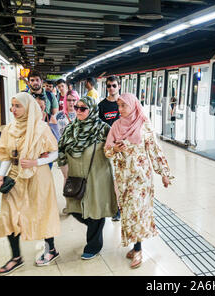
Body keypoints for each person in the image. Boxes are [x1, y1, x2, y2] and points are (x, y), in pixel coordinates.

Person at [0, 92, 61, 275]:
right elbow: (7, 156)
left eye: (17, 106)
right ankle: (16, 257)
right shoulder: (9, 129)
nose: (12, 109)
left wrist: (36, 162)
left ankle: (51, 249)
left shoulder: (41, 128)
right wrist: (0, 177)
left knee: (42, 211)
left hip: (38, 176)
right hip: (15, 176)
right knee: (9, 214)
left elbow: (55, 152)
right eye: (12, 105)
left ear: (28, 107)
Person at [105, 93, 173, 269]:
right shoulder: (116, 126)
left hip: (141, 178)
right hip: (122, 178)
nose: (119, 109)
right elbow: (107, 151)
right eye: (118, 106)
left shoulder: (144, 125)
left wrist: (164, 173)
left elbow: (155, 151)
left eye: (123, 106)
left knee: (137, 210)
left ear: (133, 105)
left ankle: (138, 249)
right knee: (128, 212)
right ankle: (134, 242)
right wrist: (115, 149)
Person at [57, 96, 118, 260]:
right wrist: (63, 166)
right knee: (76, 210)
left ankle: (93, 246)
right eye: (76, 107)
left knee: (96, 211)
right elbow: (61, 147)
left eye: (82, 109)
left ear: (92, 110)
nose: (78, 111)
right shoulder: (71, 128)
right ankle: (95, 229)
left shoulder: (103, 129)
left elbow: (113, 150)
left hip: (98, 178)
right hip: (77, 177)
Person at [98, 76, 121, 221]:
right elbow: (99, 126)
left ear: (119, 86)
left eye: (114, 85)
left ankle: (119, 206)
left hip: (122, 146)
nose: (111, 88)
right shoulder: (102, 106)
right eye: (109, 86)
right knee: (112, 179)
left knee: (119, 179)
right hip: (109, 146)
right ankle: (115, 208)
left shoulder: (123, 103)